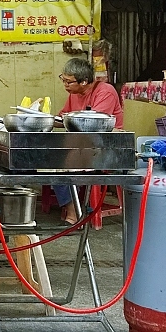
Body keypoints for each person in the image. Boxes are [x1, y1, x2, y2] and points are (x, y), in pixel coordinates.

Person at [53, 57, 124, 224]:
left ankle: (74, 214)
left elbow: (94, 124)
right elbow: (63, 117)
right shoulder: (74, 94)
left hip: (107, 144)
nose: (65, 85)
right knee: (53, 158)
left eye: (69, 82)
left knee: (67, 161)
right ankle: (74, 207)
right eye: (63, 80)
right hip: (82, 141)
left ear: (84, 81)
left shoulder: (105, 91)